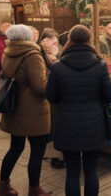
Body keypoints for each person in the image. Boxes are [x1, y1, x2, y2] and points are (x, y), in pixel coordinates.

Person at [46, 25, 111, 196]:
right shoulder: (100, 65)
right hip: (93, 125)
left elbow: (51, 97)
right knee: (91, 171)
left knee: (72, 173)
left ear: (69, 40)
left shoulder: (57, 67)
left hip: (67, 126)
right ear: (90, 40)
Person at [0, 24, 51, 196]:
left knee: (15, 148)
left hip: (14, 109)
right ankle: (34, 189)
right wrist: (51, 76)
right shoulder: (33, 55)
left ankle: (2, 186)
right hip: (33, 113)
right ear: (28, 37)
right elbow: (40, 87)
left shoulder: (8, 52)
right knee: (37, 151)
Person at [39, 28, 66, 170]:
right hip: (47, 97)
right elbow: (45, 78)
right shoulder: (40, 56)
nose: (45, 43)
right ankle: (53, 156)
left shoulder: (59, 53)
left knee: (55, 128)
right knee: (50, 129)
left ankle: (57, 156)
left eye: (49, 40)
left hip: (57, 97)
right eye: (44, 40)